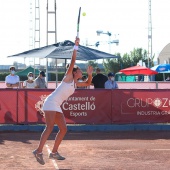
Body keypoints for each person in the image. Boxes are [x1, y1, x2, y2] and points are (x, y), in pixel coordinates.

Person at [33, 37, 93, 161]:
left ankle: (54, 152)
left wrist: (90, 75)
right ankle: (38, 151)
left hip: (56, 105)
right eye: (80, 70)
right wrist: (76, 46)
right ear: (74, 72)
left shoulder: (75, 83)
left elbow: (87, 83)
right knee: (49, 127)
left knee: (63, 129)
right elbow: (72, 61)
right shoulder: (68, 77)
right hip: (50, 103)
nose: (82, 72)